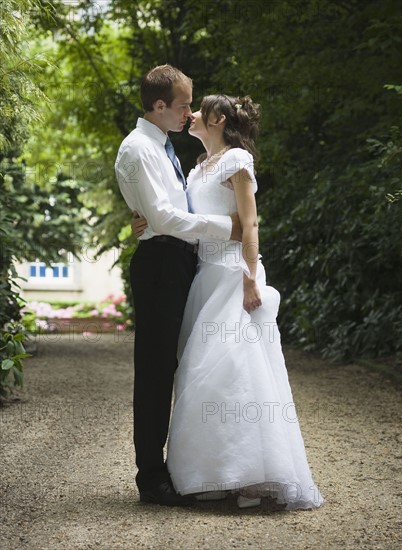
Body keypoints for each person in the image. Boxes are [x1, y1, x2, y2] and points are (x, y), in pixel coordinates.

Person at [133, 94, 324, 510]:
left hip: (234, 275)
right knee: (201, 374)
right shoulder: (199, 168)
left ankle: (250, 475)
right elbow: (182, 215)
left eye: (199, 110)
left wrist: (251, 279)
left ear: (218, 119)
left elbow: (250, 222)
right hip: (204, 278)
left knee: (235, 368)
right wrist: (149, 219)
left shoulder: (238, 160)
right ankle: (213, 474)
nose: (193, 115)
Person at [114, 66, 242, 507]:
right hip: (160, 265)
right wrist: (230, 228)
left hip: (180, 259)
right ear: (160, 105)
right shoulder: (138, 150)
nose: (191, 112)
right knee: (154, 370)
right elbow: (165, 220)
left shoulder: (164, 146)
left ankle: (187, 465)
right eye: (185, 104)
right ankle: (151, 477)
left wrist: (153, 220)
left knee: (186, 365)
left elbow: (166, 211)